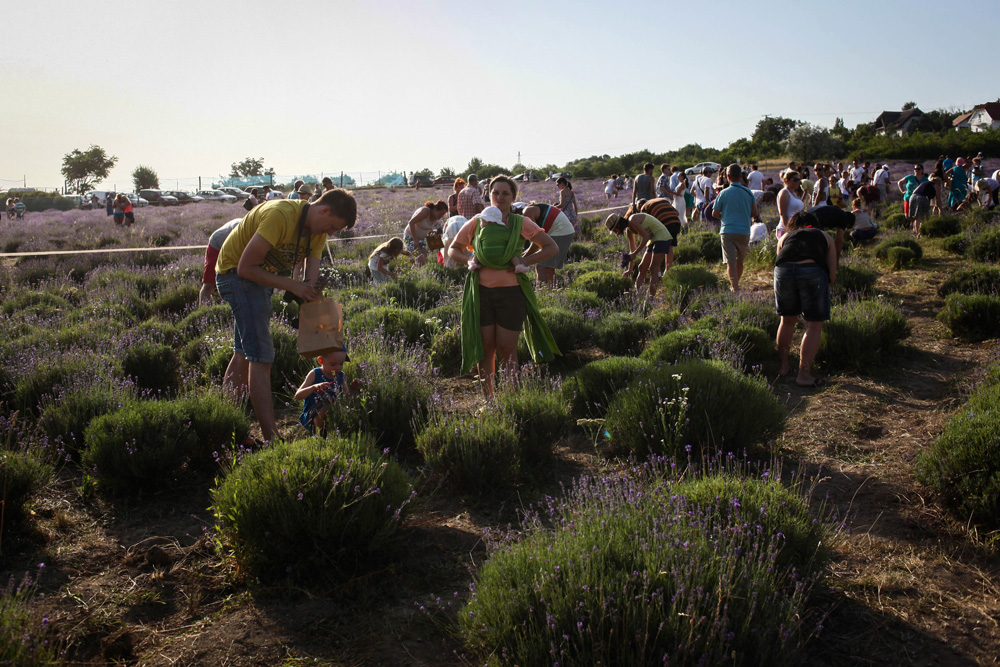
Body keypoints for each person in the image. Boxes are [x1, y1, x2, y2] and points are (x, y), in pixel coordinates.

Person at [215, 188, 357, 443]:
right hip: (235, 276)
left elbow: (310, 278)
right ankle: (272, 438)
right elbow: (245, 267)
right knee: (261, 356)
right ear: (324, 210)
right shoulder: (279, 215)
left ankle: (227, 424)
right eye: (331, 227)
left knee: (243, 353)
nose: (329, 234)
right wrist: (293, 286)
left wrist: (312, 298)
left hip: (260, 280)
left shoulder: (316, 230)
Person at [447, 175, 559, 399]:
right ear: (489, 195)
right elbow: (453, 248)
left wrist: (523, 262)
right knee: (486, 350)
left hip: (511, 294)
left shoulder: (520, 223)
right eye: (495, 192)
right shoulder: (478, 222)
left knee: (507, 350)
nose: (499, 197)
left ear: (513, 197)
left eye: (505, 193)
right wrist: (469, 258)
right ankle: (489, 399)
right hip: (481, 294)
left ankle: (510, 399)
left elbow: (550, 247)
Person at [774, 211, 837, 389]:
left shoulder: (784, 237)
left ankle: (784, 366)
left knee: (786, 320)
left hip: (783, 271)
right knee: (814, 324)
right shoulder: (825, 236)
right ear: (814, 224)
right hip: (812, 270)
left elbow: (779, 261)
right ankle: (804, 375)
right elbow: (832, 276)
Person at [604, 206, 673, 297]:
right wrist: (630, 269)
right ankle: (639, 296)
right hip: (654, 239)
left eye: (615, 230)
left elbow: (645, 237)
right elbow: (632, 250)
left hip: (661, 236)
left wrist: (635, 254)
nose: (616, 233)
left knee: (653, 268)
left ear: (618, 225)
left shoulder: (633, 220)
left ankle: (651, 298)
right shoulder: (629, 230)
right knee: (641, 267)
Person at [712, 164, 759, 292]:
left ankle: (735, 287)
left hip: (727, 230)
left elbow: (714, 213)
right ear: (740, 176)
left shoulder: (723, 193)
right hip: (744, 230)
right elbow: (754, 213)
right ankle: (736, 285)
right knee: (740, 261)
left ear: (728, 176)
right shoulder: (748, 192)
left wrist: (724, 216)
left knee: (730, 262)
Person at [295, 347, 360, 435]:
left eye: (341, 364)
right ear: (321, 361)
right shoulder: (315, 374)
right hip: (312, 415)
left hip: (334, 411)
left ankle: (339, 434)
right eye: (333, 364)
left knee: (354, 411)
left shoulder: (341, 376)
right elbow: (298, 396)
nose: (338, 367)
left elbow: (347, 400)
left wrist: (353, 390)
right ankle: (320, 436)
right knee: (324, 410)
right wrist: (314, 387)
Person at [517, 200, 575, 287]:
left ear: (518, 211)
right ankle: (552, 292)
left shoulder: (527, 212)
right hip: (565, 231)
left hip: (560, 231)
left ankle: (542, 292)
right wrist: (523, 255)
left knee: (541, 267)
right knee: (549, 268)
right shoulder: (533, 209)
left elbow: (536, 242)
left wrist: (522, 259)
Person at [626, 196, 682, 276]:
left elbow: (649, 221)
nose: (639, 211)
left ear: (641, 204)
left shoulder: (644, 208)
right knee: (670, 246)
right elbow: (677, 213)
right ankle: (668, 271)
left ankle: (657, 274)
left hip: (664, 224)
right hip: (676, 222)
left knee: (656, 250)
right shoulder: (661, 200)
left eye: (639, 207)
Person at [200, 217, 243, 306]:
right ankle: (203, 309)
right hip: (217, 245)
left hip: (233, 247)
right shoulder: (240, 228)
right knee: (209, 283)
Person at [405, 200, 448, 266]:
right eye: (441, 213)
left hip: (421, 239)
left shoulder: (436, 218)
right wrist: (415, 240)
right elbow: (411, 223)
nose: (442, 216)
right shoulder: (426, 211)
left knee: (425, 261)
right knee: (420, 259)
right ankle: (416, 273)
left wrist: (435, 238)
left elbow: (430, 230)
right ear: (435, 209)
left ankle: (418, 272)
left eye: (443, 214)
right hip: (411, 237)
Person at [776, 170, 805, 239]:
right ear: (787, 181)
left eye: (799, 179)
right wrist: (789, 231)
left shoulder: (794, 193)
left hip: (796, 229)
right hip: (786, 230)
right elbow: (783, 214)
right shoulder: (784, 193)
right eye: (795, 180)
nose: (798, 182)